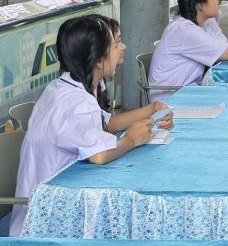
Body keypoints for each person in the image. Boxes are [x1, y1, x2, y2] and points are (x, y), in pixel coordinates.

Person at [10, 16, 173, 236]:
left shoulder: (60, 87)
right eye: (115, 44)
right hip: (47, 219)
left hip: (45, 204)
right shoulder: (78, 101)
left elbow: (106, 123)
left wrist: (152, 109)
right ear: (98, 60)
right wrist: (131, 139)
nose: (122, 48)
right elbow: (99, 156)